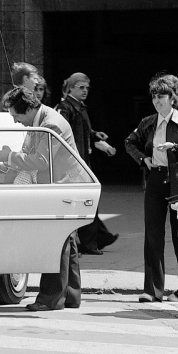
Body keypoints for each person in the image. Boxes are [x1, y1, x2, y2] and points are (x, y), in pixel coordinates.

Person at [0, 87, 81, 311]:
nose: (15, 121)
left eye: (16, 115)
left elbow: (41, 161)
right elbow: (31, 154)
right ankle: (70, 295)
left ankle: (50, 299)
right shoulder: (41, 120)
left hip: (61, 187)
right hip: (62, 185)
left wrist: (9, 157)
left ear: (29, 110)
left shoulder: (50, 124)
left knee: (55, 241)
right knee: (67, 241)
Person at [125, 73, 178, 303]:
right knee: (153, 235)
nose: (157, 101)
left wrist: (175, 147)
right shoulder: (148, 122)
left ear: (172, 98)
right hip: (156, 179)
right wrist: (143, 159)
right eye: (154, 97)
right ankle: (152, 290)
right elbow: (129, 142)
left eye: (161, 96)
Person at [55, 72, 118, 255]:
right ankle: (90, 242)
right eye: (81, 87)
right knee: (87, 201)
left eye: (87, 88)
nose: (85, 91)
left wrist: (95, 136)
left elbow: (82, 131)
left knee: (89, 200)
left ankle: (98, 238)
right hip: (74, 164)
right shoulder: (66, 108)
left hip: (82, 161)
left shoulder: (79, 107)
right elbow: (62, 134)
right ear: (70, 88)